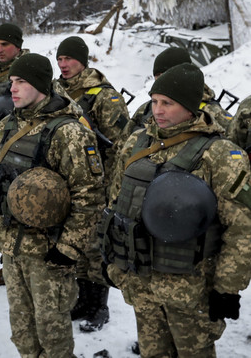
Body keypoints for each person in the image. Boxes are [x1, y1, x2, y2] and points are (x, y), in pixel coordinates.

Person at [101, 63, 251, 357]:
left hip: (190, 288)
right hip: (141, 279)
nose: (157, 110)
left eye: (167, 103)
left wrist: (227, 288)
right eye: (155, 101)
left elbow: (242, 230)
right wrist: (110, 256)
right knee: (152, 352)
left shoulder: (220, 154)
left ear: (190, 106)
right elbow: (117, 203)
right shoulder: (137, 141)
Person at [0, 53, 106, 358]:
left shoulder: (69, 133)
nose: (13, 88)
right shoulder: (8, 125)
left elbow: (89, 197)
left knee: (52, 333)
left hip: (49, 252)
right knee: (22, 330)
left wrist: (68, 249)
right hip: (13, 247)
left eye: (21, 81)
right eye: (11, 81)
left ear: (39, 84)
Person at [53, 35, 129, 332]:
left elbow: (121, 146)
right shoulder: (58, 91)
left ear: (82, 60)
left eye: (68, 59)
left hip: (99, 181)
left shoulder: (104, 95)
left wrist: (112, 187)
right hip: (69, 180)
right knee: (77, 240)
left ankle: (98, 304)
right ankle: (82, 300)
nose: (63, 64)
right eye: (59, 59)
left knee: (96, 245)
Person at [0, 22, 29, 287]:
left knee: (16, 206)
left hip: (16, 145)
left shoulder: (27, 71)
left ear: (17, 47)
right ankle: (5, 263)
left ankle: (11, 267)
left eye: (5, 45)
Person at [126, 47, 234, 134]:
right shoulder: (146, 109)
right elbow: (122, 142)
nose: (161, 80)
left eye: (167, 74)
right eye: (157, 75)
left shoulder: (213, 113)